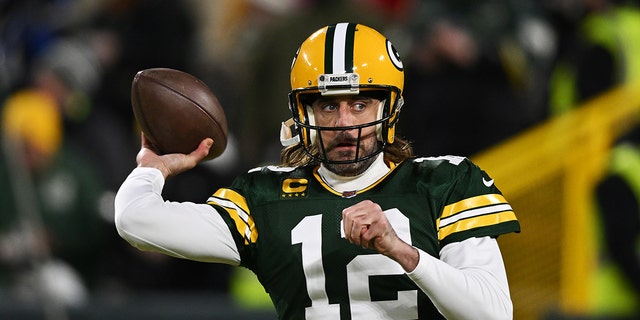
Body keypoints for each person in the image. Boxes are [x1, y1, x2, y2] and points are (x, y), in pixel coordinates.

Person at [115, 23, 521, 319]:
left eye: (359, 104)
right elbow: (135, 220)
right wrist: (152, 168)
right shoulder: (265, 197)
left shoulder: (445, 183)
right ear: (302, 112)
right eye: (328, 105)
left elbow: (492, 314)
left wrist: (401, 251)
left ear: (389, 109)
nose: (344, 122)